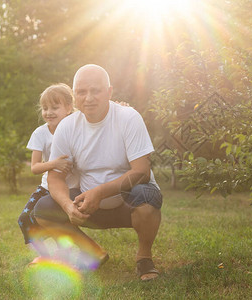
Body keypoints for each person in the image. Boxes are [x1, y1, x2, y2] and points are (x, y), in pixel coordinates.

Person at [32, 64, 162, 281]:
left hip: (128, 201)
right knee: (44, 209)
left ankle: (144, 258)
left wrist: (100, 192)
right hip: (88, 206)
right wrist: (67, 205)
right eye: (82, 92)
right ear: (74, 95)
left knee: (147, 197)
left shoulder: (128, 117)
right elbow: (55, 178)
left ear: (109, 92)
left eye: (96, 90)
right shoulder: (67, 127)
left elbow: (142, 171)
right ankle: (92, 252)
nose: (88, 98)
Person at [18, 83, 79, 262]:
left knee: (58, 219)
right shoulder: (40, 133)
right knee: (24, 219)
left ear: (69, 108)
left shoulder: (77, 126)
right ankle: (45, 255)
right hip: (47, 186)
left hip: (73, 187)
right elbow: (34, 167)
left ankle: (63, 252)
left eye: (55, 107)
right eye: (45, 108)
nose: (48, 112)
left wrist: (120, 106)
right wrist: (54, 164)